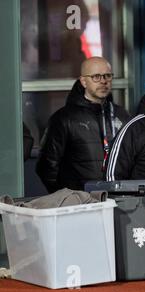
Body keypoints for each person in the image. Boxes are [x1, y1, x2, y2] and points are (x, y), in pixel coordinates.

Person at [36, 57, 130, 193]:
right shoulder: (64, 118)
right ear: (84, 81)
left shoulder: (122, 115)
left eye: (107, 76)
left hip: (117, 200)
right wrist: (66, 197)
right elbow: (46, 166)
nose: (103, 81)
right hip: (80, 204)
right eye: (96, 77)